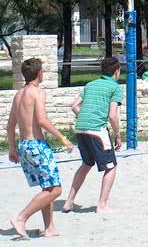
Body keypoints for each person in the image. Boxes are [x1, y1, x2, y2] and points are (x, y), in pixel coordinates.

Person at [7, 58, 74, 238]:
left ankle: (49, 227)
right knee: (55, 189)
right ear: (40, 73)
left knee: (47, 187)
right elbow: (42, 120)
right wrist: (63, 138)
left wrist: (12, 148)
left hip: (24, 146)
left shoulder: (19, 94)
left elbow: (10, 124)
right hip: (37, 145)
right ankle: (21, 218)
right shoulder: (37, 92)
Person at [63, 56, 123, 214]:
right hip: (97, 130)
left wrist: (85, 116)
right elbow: (112, 115)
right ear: (117, 71)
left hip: (80, 128)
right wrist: (118, 134)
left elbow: (74, 106)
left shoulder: (90, 84)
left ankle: (68, 202)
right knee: (111, 166)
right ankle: (102, 206)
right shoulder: (115, 87)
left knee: (87, 163)